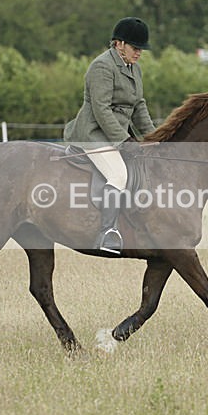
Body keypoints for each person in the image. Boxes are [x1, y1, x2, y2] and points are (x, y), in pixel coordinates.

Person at [63, 17, 156, 254]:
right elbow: (101, 109)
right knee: (118, 174)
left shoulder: (134, 68)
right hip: (93, 134)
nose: (139, 53)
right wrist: (124, 141)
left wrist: (154, 138)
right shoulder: (102, 67)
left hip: (115, 134)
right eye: (135, 47)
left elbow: (139, 106)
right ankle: (107, 233)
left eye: (141, 49)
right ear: (119, 44)